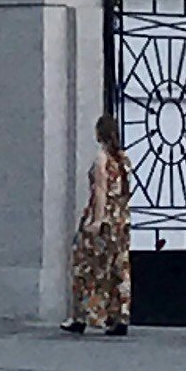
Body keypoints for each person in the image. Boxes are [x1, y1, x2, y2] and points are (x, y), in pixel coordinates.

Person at [65, 110, 132, 336]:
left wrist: (97, 219)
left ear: (98, 134)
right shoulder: (123, 159)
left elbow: (100, 190)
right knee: (119, 267)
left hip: (105, 217)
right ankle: (120, 315)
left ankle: (83, 315)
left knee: (85, 265)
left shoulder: (101, 159)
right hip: (121, 219)